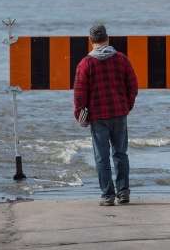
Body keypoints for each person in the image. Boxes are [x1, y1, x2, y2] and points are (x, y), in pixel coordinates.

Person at [73, 24, 138, 206]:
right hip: (119, 113)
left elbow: (79, 95)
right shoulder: (121, 59)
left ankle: (107, 196)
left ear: (90, 41)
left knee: (102, 157)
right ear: (108, 39)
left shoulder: (85, 64)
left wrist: (81, 117)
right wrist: (127, 106)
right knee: (120, 154)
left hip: (98, 117)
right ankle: (123, 192)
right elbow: (133, 85)